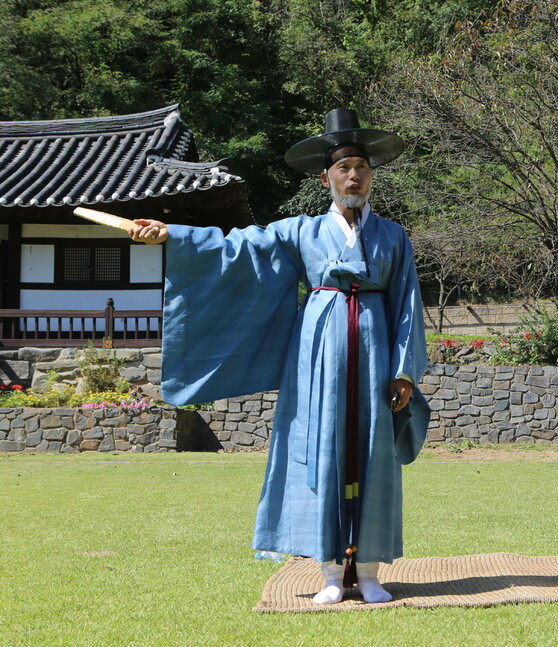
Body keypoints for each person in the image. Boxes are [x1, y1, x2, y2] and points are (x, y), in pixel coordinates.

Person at [130, 108, 430, 605]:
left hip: (377, 348)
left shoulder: (394, 236)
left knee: (373, 451)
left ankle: (371, 571)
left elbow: (407, 303)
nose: (353, 176)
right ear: (325, 178)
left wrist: (404, 370)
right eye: (343, 169)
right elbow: (240, 247)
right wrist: (173, 235)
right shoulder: (300, 231)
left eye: (361, 168)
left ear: (370, 176)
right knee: (321, 445)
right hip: (318, 352)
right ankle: (332, 574)